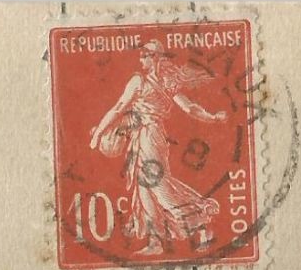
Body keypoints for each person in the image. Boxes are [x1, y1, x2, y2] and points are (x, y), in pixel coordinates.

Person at [88, 41, 227, 257]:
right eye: (141, 55)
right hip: (145, 136)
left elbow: (119, 108)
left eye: (145, 55)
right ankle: (156, 241)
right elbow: (187, 108)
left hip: (150, 137)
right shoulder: (158, 81)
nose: (141, 59)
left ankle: (200, 224)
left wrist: (98, 133)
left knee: (158, 187)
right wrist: (212, 117)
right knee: (145, 192)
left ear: (156, 58)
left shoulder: (144, 81)